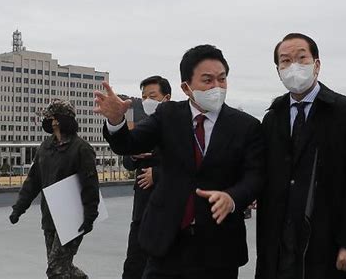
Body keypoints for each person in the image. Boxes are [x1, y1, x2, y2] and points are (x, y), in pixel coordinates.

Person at [94, 44, 264, 279]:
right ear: (186, 87)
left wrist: (233, 198)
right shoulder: (168, 116)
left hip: (219, 246)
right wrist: (116, 121)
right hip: (166, 239)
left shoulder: (246, 126)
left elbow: (255, 175)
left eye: (222, 79)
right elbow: (129, 144)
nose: (216, 87)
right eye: (207, 80)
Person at [256, 33, 346, 279]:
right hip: (284, 238)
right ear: (278, 69)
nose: (293, 66)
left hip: (330, 236)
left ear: (317, 64)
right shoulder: (273, 118)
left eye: (301, 58)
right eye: (285, 61)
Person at [9, 99, 100, 279]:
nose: (50, 121)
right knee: (61, 266)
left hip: (73, 218)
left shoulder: (82, 149)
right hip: (50, 216)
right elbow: (33, 180)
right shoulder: (45, 147)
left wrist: (90, 215)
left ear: (59, 120)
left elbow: (90, 185)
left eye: (52, 117)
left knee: (56, 269)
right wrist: (19, 208)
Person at [122, 75, 171, 279]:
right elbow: (127, 161)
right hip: (142, 205)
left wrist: (157, 174)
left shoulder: (180, 127)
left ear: (166, 98)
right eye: (144, 97)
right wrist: (133, 155)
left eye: (153, 95)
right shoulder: (143, 125)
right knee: (135, 260)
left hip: (167, 206)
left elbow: (188, 165)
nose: (147, 100)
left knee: (163, 261)